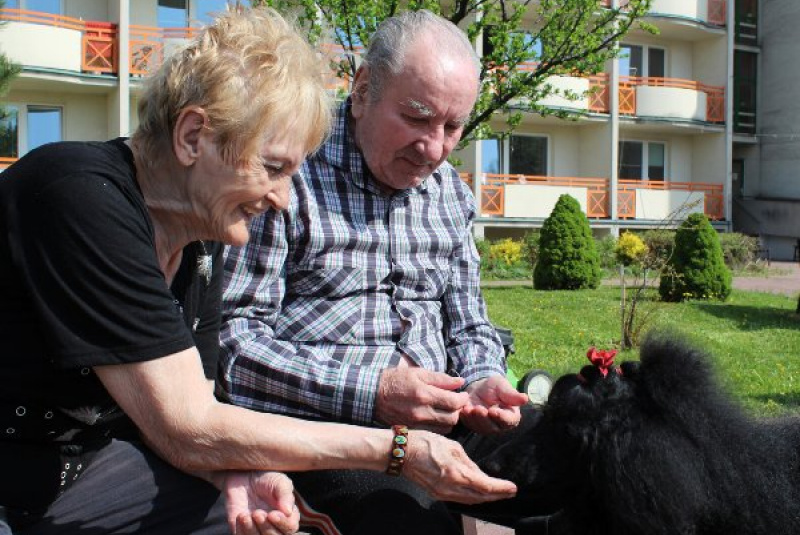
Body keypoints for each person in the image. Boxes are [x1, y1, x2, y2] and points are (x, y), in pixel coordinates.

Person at [0, 8, 517, 535]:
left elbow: (198, 409)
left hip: (100, 460)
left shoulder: (201, 238)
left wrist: (240, 470)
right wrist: (398, 448)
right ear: (192, 136)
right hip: (27, 480)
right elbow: (187, 426)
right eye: (272, 168)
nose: (282, 198)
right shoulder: (77, 196)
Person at [219, 10, 535, 535]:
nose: (434, 149)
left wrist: (483, 378)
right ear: (363, 90)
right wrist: (373, 390)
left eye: (452, 127)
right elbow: (232, 343)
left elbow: (470, 322)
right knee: (412, 522)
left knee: (600, 457)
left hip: (448, 420)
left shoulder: (450, 193)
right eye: (416, 118)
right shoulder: (288, 174)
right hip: (327, 435)